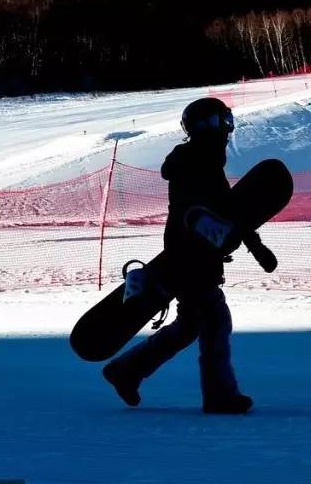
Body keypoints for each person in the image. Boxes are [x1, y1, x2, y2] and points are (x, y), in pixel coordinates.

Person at [101, 97, 256, 414]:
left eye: (228, 121)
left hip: (195, 254)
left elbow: (220, 207)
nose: (228, 129)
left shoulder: (206, 160)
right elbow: (192, 210)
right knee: (214, 320)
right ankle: (220, 395)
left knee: (190, 325)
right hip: (190, 256)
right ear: (206, 125)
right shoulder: (194, 161)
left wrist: (242, 234)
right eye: (222, 121)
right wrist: (215, 231)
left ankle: (126, 370)